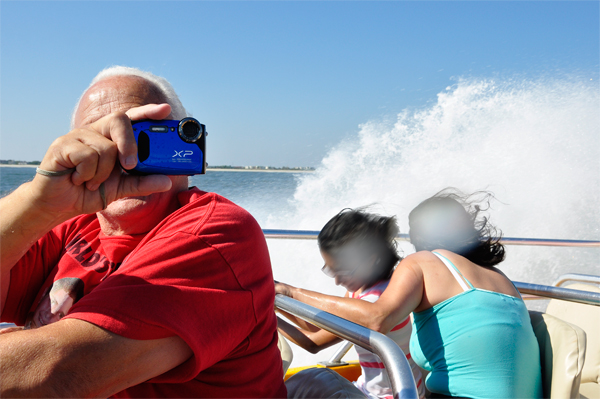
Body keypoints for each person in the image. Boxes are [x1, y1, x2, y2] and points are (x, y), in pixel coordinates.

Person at [0, 66, 287, 398]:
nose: (125, 156)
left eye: (143, 136)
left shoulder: (216, 234)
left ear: (182, 140)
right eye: (103, 140)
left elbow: (54, 374)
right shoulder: (69, 223)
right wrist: (37, 201)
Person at [276, 190, 543, 399]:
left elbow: (377, 318)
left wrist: (289, 292)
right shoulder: (502, 280)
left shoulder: (424, 262)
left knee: (311, 381)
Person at [277, 209, 425, 399]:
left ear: (371, 260)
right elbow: (316, 327)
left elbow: (312, 342)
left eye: (343, 271)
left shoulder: (376, 299)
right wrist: (274, 306)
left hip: (391, 397)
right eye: (330, 271)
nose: (337, 281)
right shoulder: (359, 290)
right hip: (366, 390)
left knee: (313, 380)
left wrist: (278, 302)